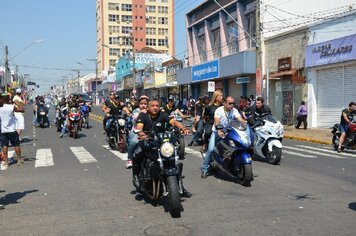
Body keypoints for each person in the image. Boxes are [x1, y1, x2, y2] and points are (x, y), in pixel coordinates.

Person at [132, 99, 191, 196]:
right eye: (153, 105)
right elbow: (139, 127)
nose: (155, 107)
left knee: (173, 161)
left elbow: (173, 121)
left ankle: (181, 188)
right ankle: (136, 175)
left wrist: (182, 128)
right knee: (138, 152)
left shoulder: (162, 114)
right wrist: (142, 134)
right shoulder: (143, 115)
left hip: (161, 141)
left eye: (157, 106)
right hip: (148, 140)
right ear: (147, 107)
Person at [201, 96, 247, 178]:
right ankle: (205, 168)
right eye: (230, 103)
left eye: (233, 103)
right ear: (224, 103)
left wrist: (246, 125)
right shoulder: (219, 110)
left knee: (235, 147)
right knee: (211, 149)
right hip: (216, 132)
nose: (232, 105)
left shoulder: (234, 110)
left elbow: (240, 119)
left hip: (229, 132)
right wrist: (219, 130)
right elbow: (217, 121)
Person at [0, 93, 25, 169]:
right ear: (8, 99)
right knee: (16, 145)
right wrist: (17, 104)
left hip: (3, 130)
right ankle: (19, 160)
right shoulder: (11, 107)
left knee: (4, 146)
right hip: (12, 130)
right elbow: (22, 110)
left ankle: (6, 162)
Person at [126, 95, 149, 169]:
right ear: (139, 104)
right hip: (137, 131)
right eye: (141, 104)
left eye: (145, 104)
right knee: (133, 142)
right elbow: (134, 121)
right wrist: (141, 113)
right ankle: (129, 159)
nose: (143, 105)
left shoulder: (151, 110)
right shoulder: (136, 111)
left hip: (149, 131)